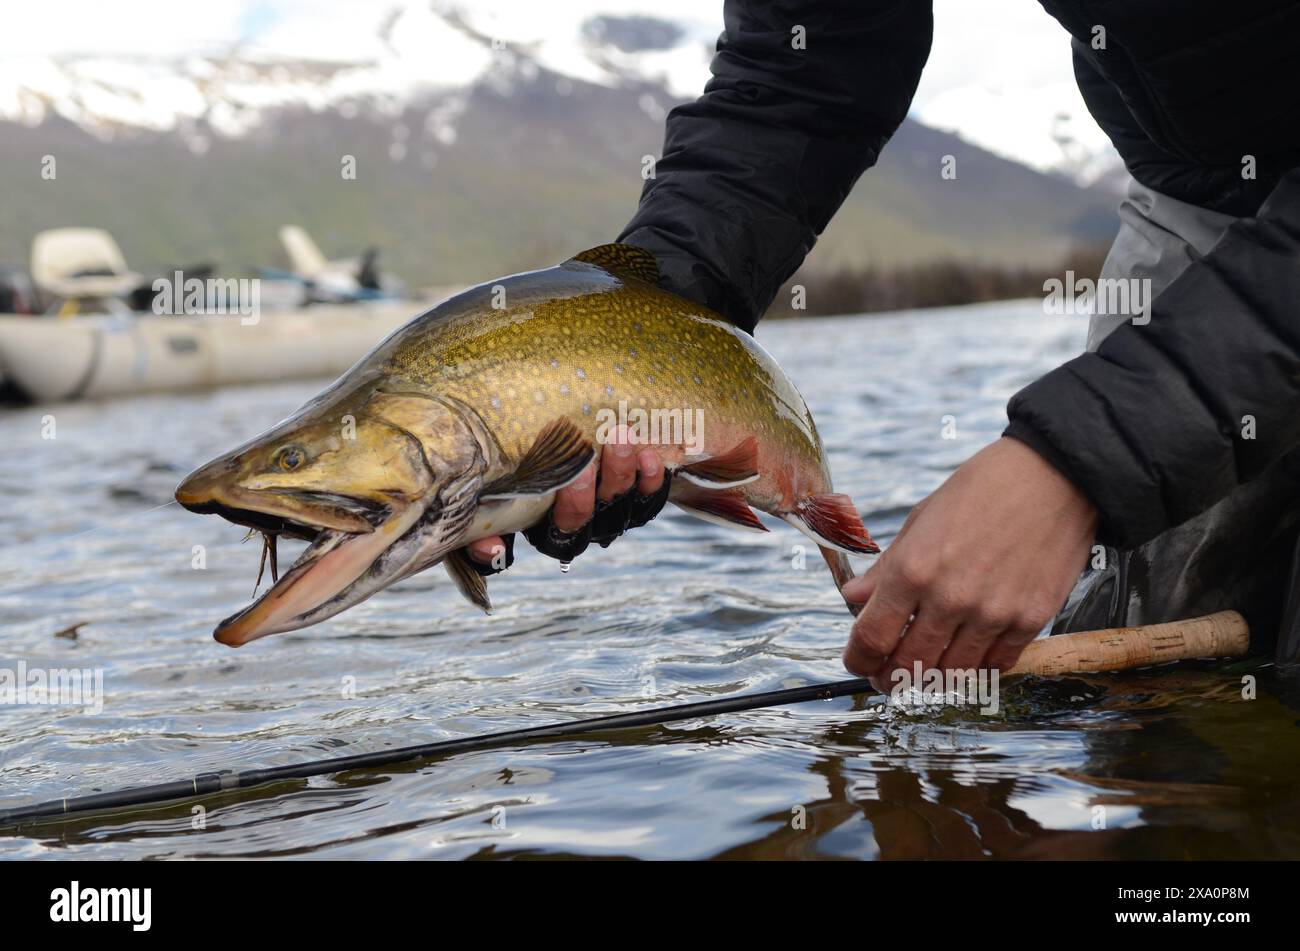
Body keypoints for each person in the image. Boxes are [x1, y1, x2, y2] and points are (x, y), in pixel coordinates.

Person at [469, 1, 1300, 683]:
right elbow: (806, 68)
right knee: (1158, 703)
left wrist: (1080, 464)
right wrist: (633, 349)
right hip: (1198, 193)